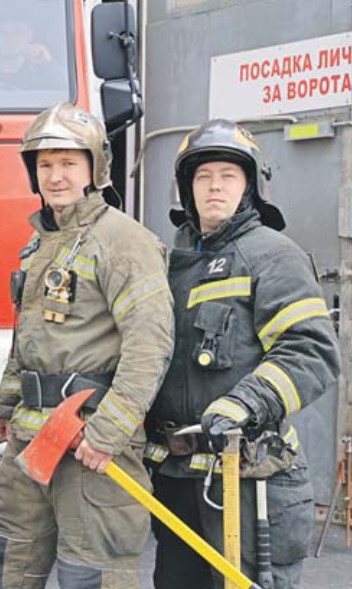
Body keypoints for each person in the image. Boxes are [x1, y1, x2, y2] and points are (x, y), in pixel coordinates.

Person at [0, 102, 174, 589]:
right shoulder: (40, 245)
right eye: (45, 164)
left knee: (91, 576)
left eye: (68, 163)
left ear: (94, 168)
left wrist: (108, 432)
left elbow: (150, 342)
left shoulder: (124, 241)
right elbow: (29, 335)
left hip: (89, 441)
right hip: (31, 439)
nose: (56, 175)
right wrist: (8, 401)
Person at [146, 119, 340, 589]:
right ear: (186, 188)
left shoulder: (272, 254)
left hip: (248, 480)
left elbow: (311, 350)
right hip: (177, 482)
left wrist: (245, 403)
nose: (215, 186)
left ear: (250, 187)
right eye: (203, 175)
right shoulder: (169, 266)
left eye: (228, 176)